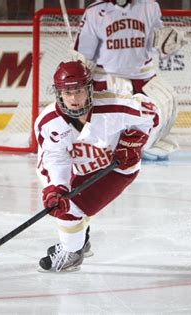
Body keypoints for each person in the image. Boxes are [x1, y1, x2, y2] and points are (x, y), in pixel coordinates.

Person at [34, 60, 159, 272]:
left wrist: (134, 142)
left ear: (89, 89)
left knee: (71, 209)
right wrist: (58, 187)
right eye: (67, 92)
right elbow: (55, 159)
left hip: (115, 169)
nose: (73, 99)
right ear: (58, 93)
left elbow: (151, 113)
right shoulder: (49, 122)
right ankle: (80, 240)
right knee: (62, 201)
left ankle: (72, 253)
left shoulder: (114, 106)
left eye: (79, 91)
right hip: (78, 168)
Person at [72, 0, 187, 161]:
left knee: (161, 113)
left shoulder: (150, 6)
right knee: (106, 129)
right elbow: (84, 53)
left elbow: (157, 41)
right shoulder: (95, 11)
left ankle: (143, 148)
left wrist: (166, 43)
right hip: (106, 79)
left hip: (144, 79)